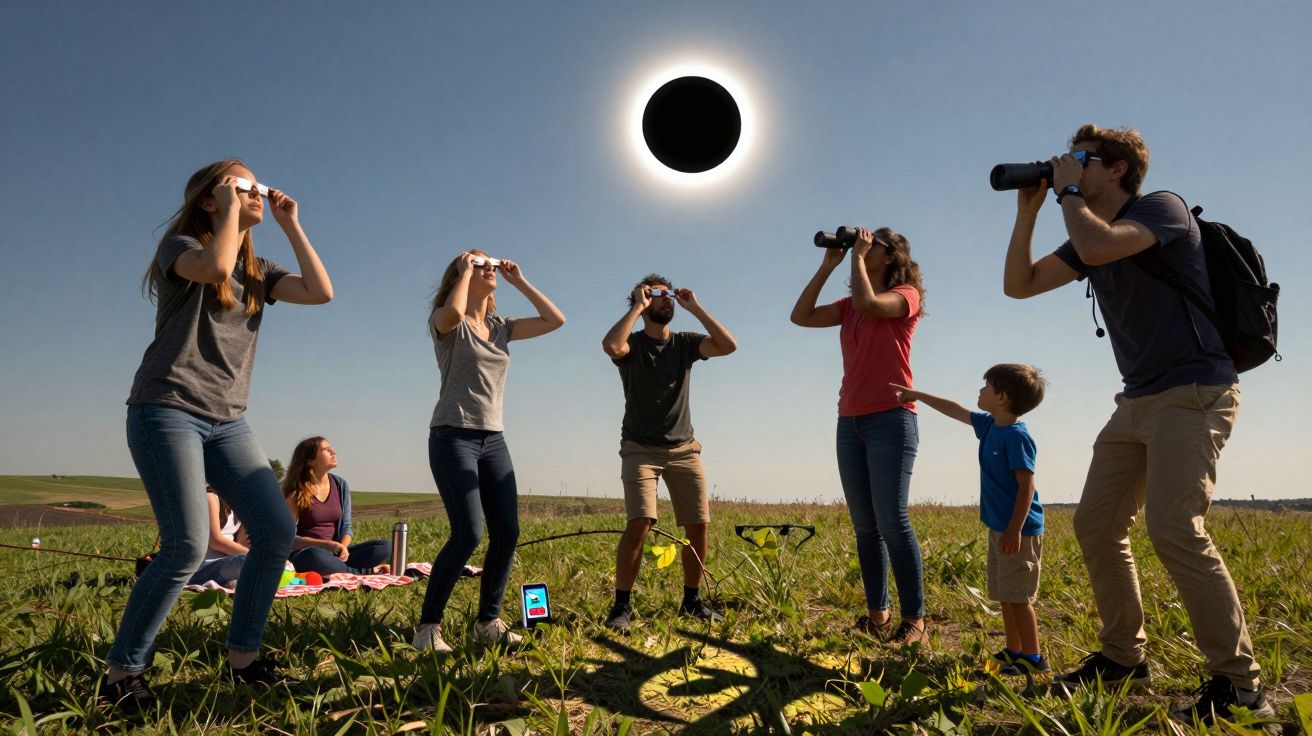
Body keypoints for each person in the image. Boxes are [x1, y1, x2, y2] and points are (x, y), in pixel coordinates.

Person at [1001, 124, 1271, 723]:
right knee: (1096, 523)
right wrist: (1030, 210)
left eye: (1080, 159)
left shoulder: (1162, 209)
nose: (1065, 166)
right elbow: (1018, 286)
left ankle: (1241, 685)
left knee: (1175, 526)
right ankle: (1125, 657)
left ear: (1117, 168)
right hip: (1136, 402)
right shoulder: (1084, 228)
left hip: (1195, 392)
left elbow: (1100, 248)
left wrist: (1068, 195)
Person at [108, 159, 333, 712]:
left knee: (276, 532)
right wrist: (234, 208)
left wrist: (289, 223)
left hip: (228, 419)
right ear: (210, 200)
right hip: (167, 407)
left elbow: (321, 291)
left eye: (257, 186)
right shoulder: (182, 246)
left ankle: (243, 659)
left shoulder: (259, 269)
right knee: (185, 544)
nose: (257, 192)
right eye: (242, 186)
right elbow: (213, 268)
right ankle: (122, 674)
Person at [412, 250, 565, 654]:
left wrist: (520, 281)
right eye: (479, 265)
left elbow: (555, 320)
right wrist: (464, 272)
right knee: (468, 532)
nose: (488, 270)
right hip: (452, 435)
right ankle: (428, 628)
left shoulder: (501, 327)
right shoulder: (450, 322)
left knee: (508, 532)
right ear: (461, 272)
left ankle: (487, 622)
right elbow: (450, 313)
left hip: (493, 438)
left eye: (490, 265)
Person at [790, 227, 928, 645]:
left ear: (889, 256)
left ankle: (915, 622)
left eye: (872, 247)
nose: (862, 250)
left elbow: (871, 302)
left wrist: (856, 256)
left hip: (891, 417)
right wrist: (827, 265)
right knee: (865, 526)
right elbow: (801, 315)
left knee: (893, 521)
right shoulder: (848, 306)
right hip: (849, 420)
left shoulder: (906, 295)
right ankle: (877, 615)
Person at [892, 365, 1050, 674]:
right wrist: (918, 396)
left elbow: (1026, 485)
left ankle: (1033, 659)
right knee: (1006, 595)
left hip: (1019, 531)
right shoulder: (990, 426)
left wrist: (1014, 529)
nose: (980, 391)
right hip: (1000, 529)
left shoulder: (1017, 437)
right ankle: (1014, 650)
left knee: (1019, 597)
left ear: (1002, 397)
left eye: (986, 386)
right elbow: (955, 410)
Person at [601, 275, 737, 633]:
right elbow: (611, 346)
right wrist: (637, 306)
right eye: (656, 294)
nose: (665, 299)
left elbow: (728, 346)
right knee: (640, 523)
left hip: (684, 449)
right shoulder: (632, 345)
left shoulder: (685, 344)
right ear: (643, 300)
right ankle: (621, 606)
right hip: (639, 449)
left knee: (698, 525)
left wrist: (695, 307)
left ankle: (692, 601)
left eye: (668, 294)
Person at [281, 437, 392, 576]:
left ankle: (339, 568)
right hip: (307, 554)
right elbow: (289, 539)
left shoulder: (340, 485)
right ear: (311, 461)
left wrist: (343, 548)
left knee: (385, 547)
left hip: (337, 552)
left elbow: (346, 527)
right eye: (326, 449)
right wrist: (325, 544)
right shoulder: (296, 493)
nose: (333, 452)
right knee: (314, 555)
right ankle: (356, 573)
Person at [189, 486, 248, 587]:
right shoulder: (211, 498)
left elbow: (240, 543)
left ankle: (232, 583)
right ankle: (233, 583)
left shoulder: (240, 506)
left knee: (266, 566)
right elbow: (215, 541)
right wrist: (257, 556)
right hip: (202, 570)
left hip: (225, 565)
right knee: (248, 560)